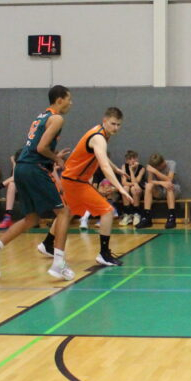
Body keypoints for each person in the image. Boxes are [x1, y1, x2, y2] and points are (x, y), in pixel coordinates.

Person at [0, 85, 74, 280]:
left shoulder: (42, 116)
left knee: (31, 218)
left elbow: (37, 145)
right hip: (34, 168)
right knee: (64, 212)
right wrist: (56, 158)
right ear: (59, 100)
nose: (71, 103)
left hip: (21, 168)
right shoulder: (57, 118)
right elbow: (41, 147)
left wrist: (53, 156)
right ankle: (58, 264)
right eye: (69, 99)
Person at [58, 107, 131, 266]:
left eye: (119, 125)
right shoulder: (99, 137)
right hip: (75, 181)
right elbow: (103, 166)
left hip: (72, 179)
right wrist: (120, 188)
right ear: (105, 120)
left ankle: (47, 244)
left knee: (67, 213)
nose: (116, 128)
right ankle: (103, 254)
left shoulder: (101, 133)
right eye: (113, 124)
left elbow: (102, 156)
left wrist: (116, 169)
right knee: (108, 211)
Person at [136, 153, 179, 230]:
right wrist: (161, 183)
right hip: (159, 190)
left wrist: (155, 171)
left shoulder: (171, 163)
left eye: (161, 166)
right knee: (148, 186)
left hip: (172, 189)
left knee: (169, 185)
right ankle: (146, 217)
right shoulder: (151, 166)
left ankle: (171, 217)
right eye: (157, 168)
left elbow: (169, 179)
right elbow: (150, 181)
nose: (161, 168)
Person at [118, 150, 145, 226]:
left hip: (139, 190)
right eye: (130, 159)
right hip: (128, 189)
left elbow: (137, 181)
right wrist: (134, 184)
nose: (133, 160)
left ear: (137, 159)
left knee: (134, 189)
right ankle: (127, 214)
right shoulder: (124, 167)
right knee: (125, 188)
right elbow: (124, 182)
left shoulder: (142, 168)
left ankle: (136, 213)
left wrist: (131, 170)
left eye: (134, 158)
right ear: (127, 161)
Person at [0, 149, 22, 230]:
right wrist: (15, 164)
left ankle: (34, 216)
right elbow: (15, 177)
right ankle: (8, 217)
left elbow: (16, 177)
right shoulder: (18, 167)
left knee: (14, 180)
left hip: (34, 191)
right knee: (12, 185)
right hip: (22, 191)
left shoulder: (33, 165)